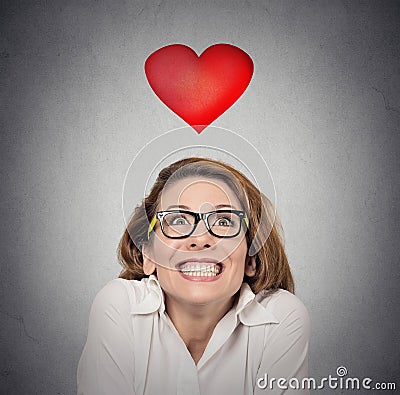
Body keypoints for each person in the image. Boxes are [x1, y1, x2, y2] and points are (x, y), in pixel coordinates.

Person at [77, 157, 311, 395]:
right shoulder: (119, 306)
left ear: (251, 257)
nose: (200, 239)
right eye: (178, 220)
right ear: (147, 254)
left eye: (223, 221)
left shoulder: (280, 317)